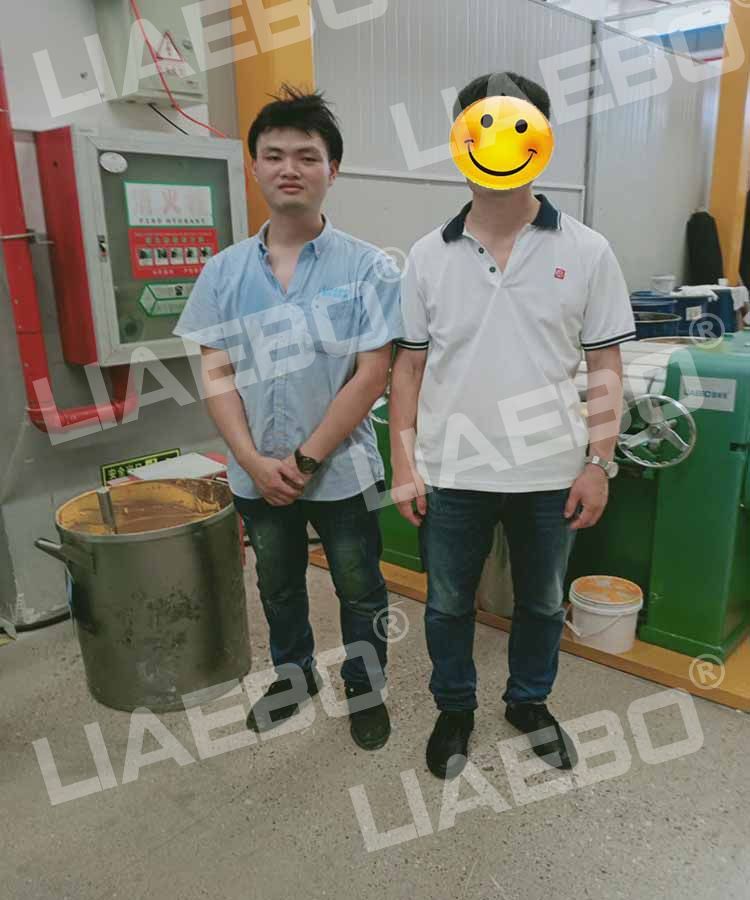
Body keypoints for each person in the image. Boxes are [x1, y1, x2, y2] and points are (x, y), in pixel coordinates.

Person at [389, 71, 634, 780]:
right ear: (460, 141)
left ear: (541, 140)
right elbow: (407, 369)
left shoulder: (587, 251)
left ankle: (529, 701)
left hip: (551, 470)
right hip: (452, 469)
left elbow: (605, 365)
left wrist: (599, 462)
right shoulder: (427, 256)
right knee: (447, 604)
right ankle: (455, 708)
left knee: (543, 601)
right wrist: (404, 463)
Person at [174, 86, 403, 751]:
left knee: (360, 588)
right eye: (274, 155)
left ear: (334, 169)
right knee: (276, 585)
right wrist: (251, 461)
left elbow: (373, 374)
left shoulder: (369, 268)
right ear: (254, 167)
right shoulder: (222, 272)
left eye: (307, 155)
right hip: (256, 472)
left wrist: (304, 461)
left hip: (341, 471)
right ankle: (293, 677)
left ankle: (365, 689)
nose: (289, 168)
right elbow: (216, 374)